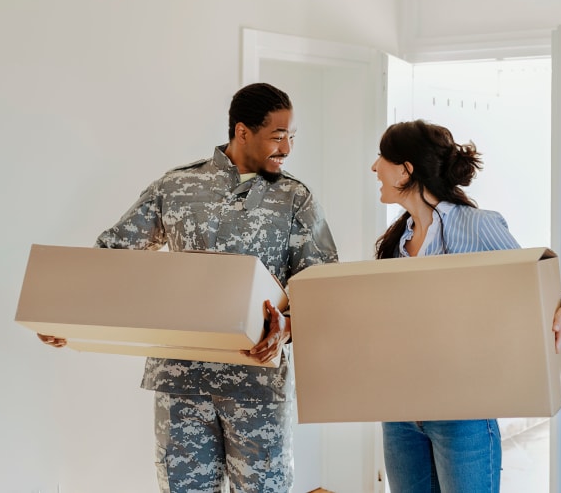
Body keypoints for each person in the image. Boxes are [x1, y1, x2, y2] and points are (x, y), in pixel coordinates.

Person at [38, 82, 338, 493]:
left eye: (292, 136)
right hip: (181, 385)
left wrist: (286, 328)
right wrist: (61, 316)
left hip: (256, 387)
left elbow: (321, 289)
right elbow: (111, 255)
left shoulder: (295, 199)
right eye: (278, 136)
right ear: (242, 131)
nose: (287, 148)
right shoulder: (175, 187)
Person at [371, 119, 561, 493]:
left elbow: (540, 282)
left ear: (406, 169)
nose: (374, 167)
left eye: (382, 158)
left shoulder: (476, 226)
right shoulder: (396, 241)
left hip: (462, 415)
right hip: (400, 415)